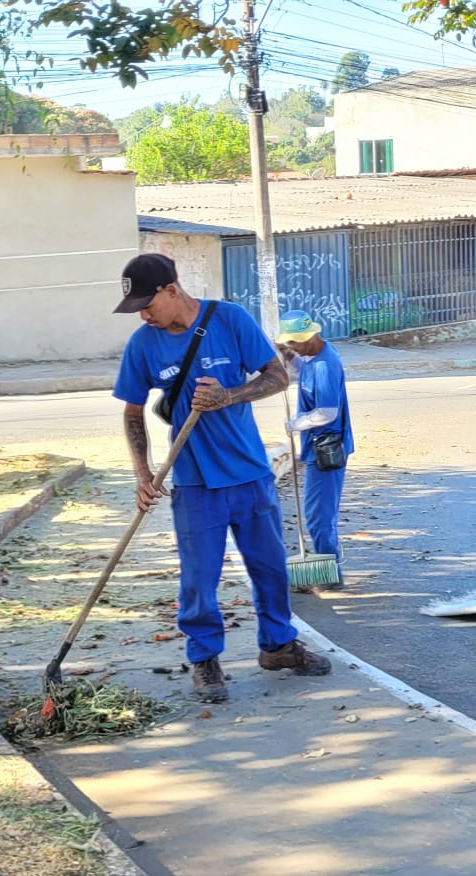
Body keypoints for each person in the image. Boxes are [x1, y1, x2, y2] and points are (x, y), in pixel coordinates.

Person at [112, 253, 331, 703]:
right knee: (199, 577)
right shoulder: (143, 345)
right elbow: (133, 413)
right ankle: (205, 659)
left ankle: (278, 646)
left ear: (171, 290)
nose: (144, 315)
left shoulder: (229, 319)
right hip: (193, 482)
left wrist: (228, 395)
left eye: (147, 304)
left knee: (270, 568)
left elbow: (276, 377)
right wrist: (144, 473)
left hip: (249, 473)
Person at [277, 310, 354, 590]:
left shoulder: (325, 365)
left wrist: (295, 423)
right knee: (320, 514)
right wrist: (291, 358)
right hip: (318, 449)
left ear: (311, 336)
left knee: (318, 516)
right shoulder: (313, 358)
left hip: (326, 451)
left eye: (296, 343)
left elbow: (327, 412)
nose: (294, 347)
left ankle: (328, 575)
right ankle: (326, 570)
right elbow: (304, 373)